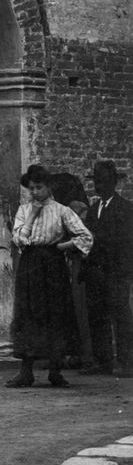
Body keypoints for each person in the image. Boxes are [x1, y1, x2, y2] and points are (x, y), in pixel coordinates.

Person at [8, 164, 93, 387]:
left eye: (39, 187)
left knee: (55, 313)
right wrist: (32, 216)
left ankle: (55, 371)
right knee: (29, 313)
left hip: (53, 264)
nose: (35, 192)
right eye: (31, 188)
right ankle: (26, 371)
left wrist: (62, 247)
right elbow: (19, 240)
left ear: (48, 187)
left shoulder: (62, 210)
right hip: (30, 264)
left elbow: (85, 237)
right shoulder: (24, 210)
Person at [86, 160, 133, 377]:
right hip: (95, 273)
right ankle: (102, 361)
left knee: (121, 318)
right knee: (97, 317)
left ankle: (126, 362)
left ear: (113, 183)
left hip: (116, 273)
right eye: (97, 182)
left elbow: (126, 242)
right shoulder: (93, 209)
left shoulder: (125, 208)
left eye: (104, 182)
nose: (100, 186)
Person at [48, 171, 93, 369]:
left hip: (76, 263)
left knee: (78, 308)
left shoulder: (77, 209)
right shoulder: (62, 209)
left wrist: (61, 245)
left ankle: (80, 354)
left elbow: (83, 238)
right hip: (66, 263)